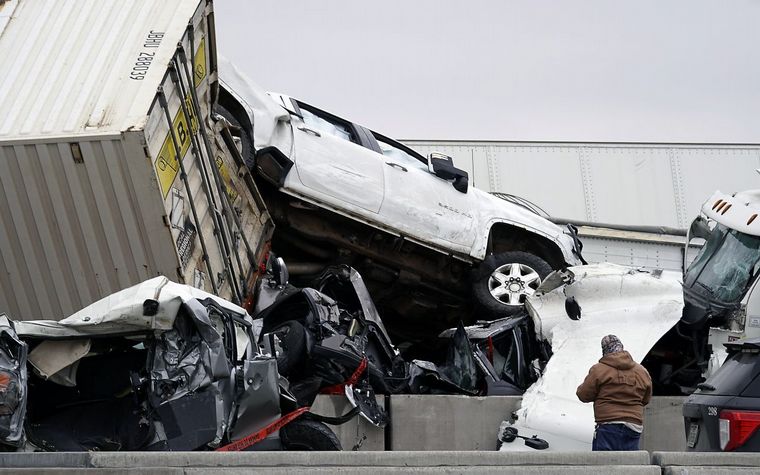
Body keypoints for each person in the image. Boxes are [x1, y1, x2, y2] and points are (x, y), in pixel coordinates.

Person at [576, 335, 652, 451]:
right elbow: (646, 399)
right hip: (634, 426)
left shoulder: (599, 369)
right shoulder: (642, 371)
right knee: (630, 461)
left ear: (604, 350)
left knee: (604, 461)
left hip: (608, 424)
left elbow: (583, 395)